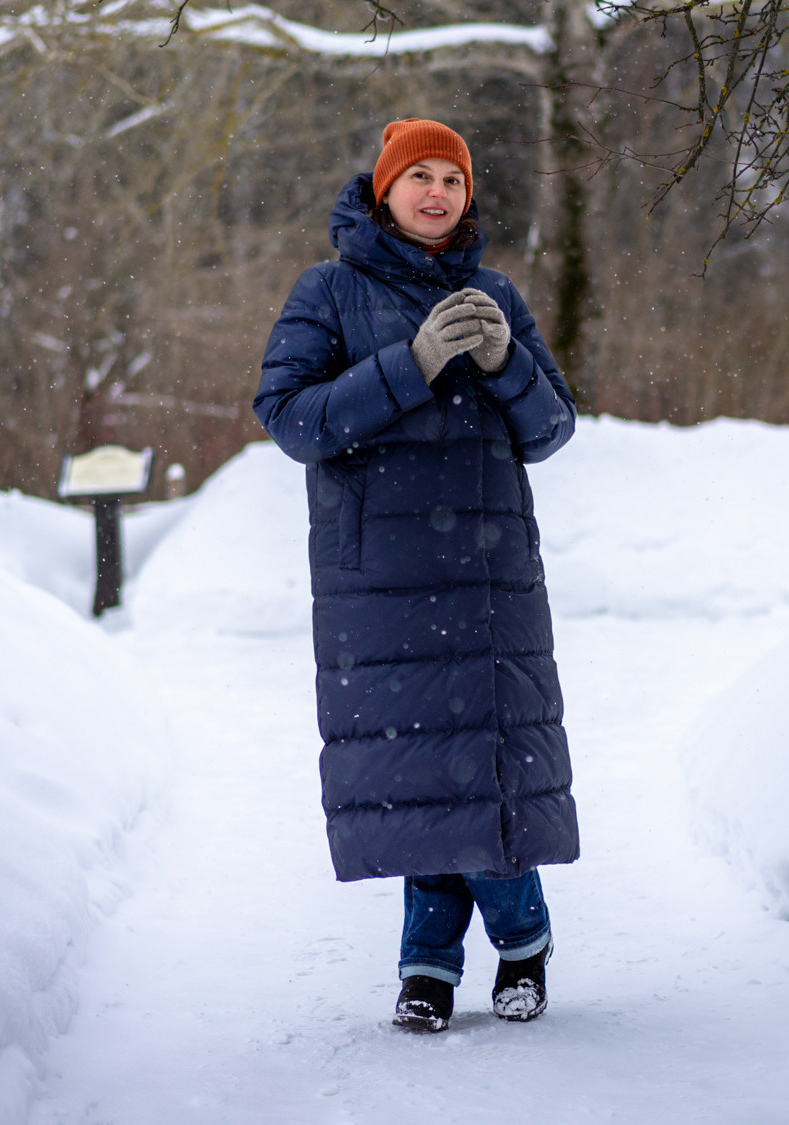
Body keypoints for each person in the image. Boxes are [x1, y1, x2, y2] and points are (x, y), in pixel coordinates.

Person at [252, 119, 580, 1034]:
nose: (438, 192)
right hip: (384, 580)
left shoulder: (497, 293)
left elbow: (551, 431)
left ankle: (521, 945)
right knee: (419, 776)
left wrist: (506, 363)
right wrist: (415, 363)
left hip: (486, 580)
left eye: (452, 178)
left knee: (490, 773)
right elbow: (291, 417)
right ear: (383, 189)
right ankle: (428, 966)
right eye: (419, 177)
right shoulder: (328, 291)